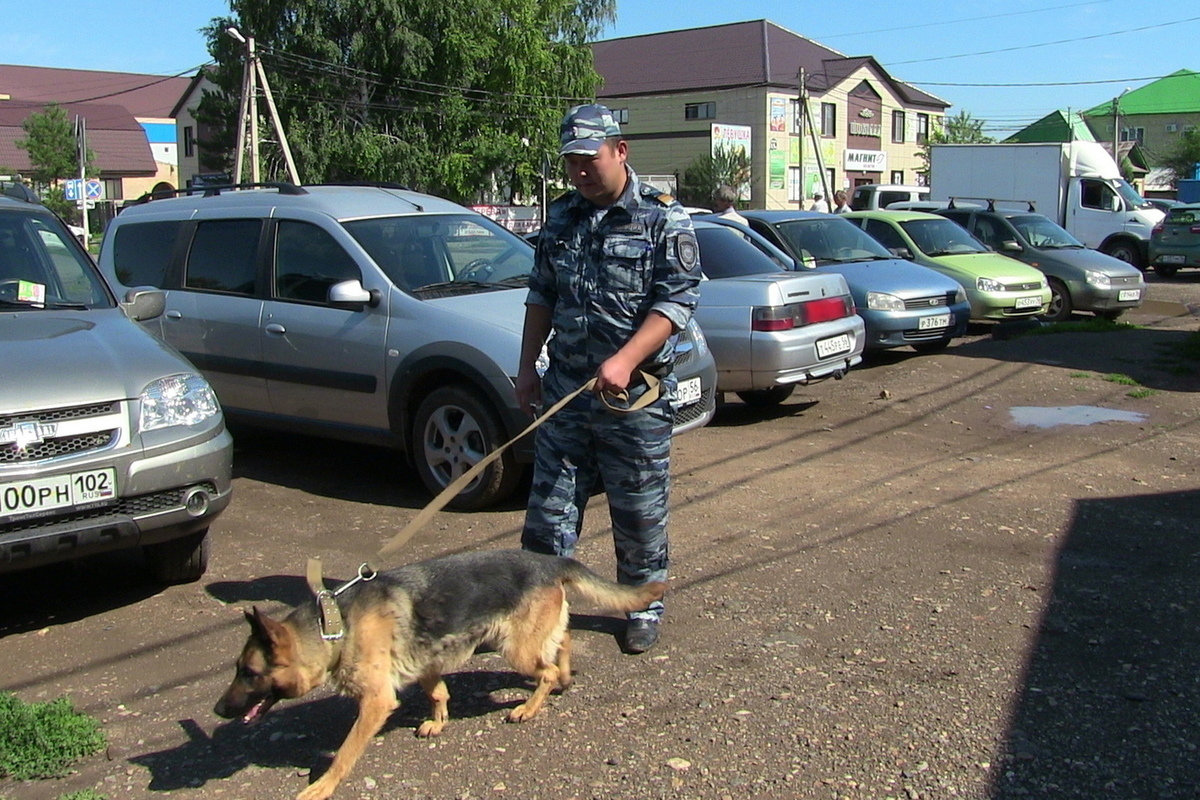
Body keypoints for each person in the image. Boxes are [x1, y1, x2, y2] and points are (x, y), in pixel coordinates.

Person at [515, 103, 701, 654]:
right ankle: (535, 610)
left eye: (588, 159)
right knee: (548, 510)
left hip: (633, 396)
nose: (579, 171)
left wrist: (624, 358)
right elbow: (540, 294)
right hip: (567, 391)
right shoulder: (560, 217)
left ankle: (643, 605)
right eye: (570, 161)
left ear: (620, 151)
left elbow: (678, 301)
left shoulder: (663, 218)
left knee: (637, 509)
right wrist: (527, 368)